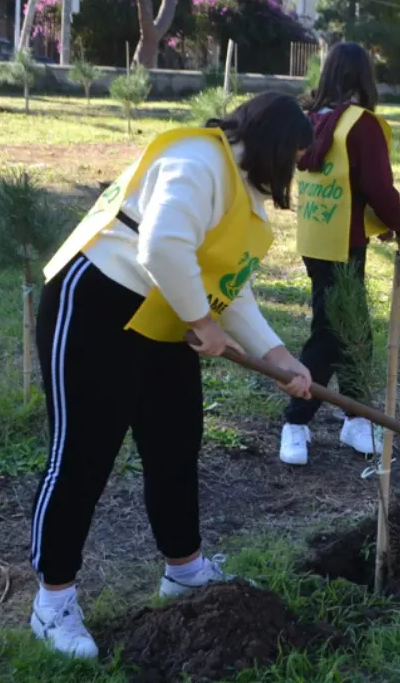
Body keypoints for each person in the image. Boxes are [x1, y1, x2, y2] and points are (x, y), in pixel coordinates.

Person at [30, 92, 315, 659]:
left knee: (175, 446)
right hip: (96, 306)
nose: (295, 175)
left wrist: (278, 356)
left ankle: (184, 568)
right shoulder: (198, 162)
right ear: (276, 149)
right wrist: (201, 322)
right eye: (295, 161)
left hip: (166, 315)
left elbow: (226, 287)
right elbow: (162, 246)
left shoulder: (241, 194)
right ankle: (52, 602)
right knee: (83, 454)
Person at [279, 42, 400, 466]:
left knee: (350, 325)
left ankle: (355, 418)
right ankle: (296, 422)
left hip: (314, 237)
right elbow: (378, 185)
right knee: (333, 330)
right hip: (343, 243)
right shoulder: (362, 124)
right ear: (364, 77)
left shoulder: (310, 119)